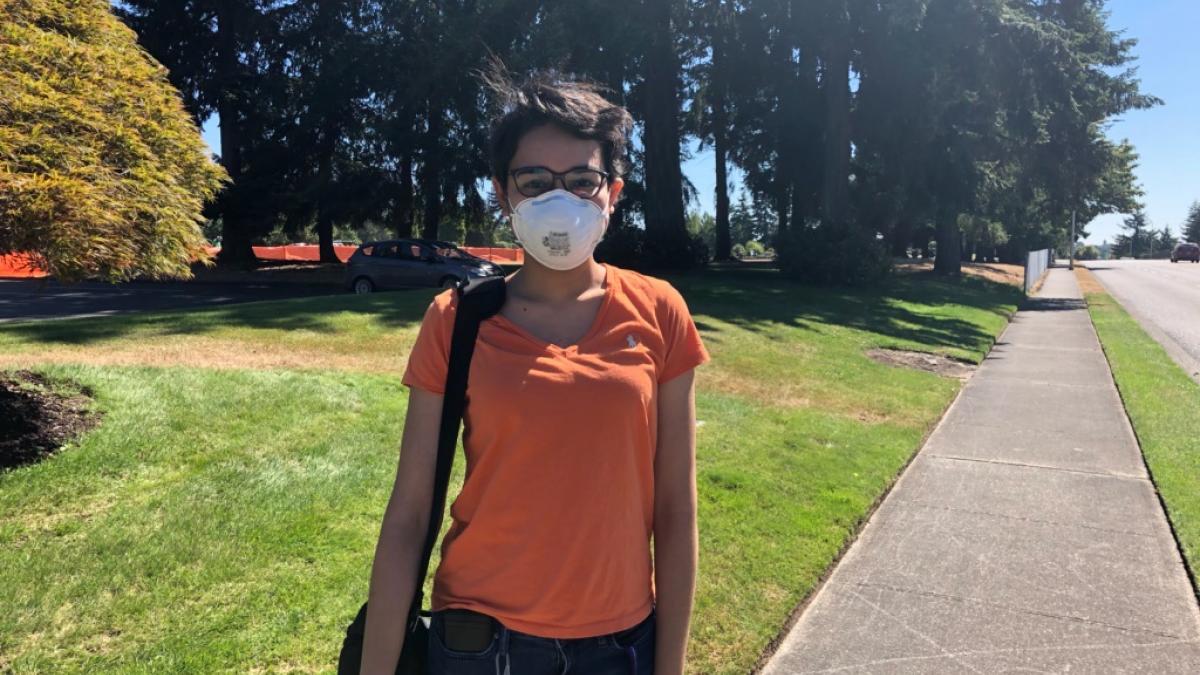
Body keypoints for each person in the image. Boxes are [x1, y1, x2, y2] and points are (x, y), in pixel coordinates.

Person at [360, 67, 710, 675]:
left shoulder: (661, 311)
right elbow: (410, 513)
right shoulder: (454, 320)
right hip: (477, 641)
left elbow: (676, 510)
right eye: (534, 180)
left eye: (581, 180)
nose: (559, 199)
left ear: (613, 193)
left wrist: (671, 667)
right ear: (503, 193)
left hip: (619, 645)